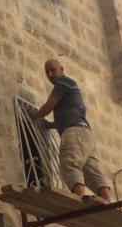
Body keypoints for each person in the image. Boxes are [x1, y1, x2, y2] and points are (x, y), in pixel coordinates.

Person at [28, 59, 112, 201]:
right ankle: (108, 202)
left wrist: (34, 115)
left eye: (53, 70)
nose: (50, 74)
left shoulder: (63, 83)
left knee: (69, 165)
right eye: (47, 72)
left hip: (75, 134)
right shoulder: (71, 87)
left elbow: (48, 106)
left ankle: (79, 201)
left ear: (61, 69)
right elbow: (69, 116)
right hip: (86, 134)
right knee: (92, 172)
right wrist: (50, 125)